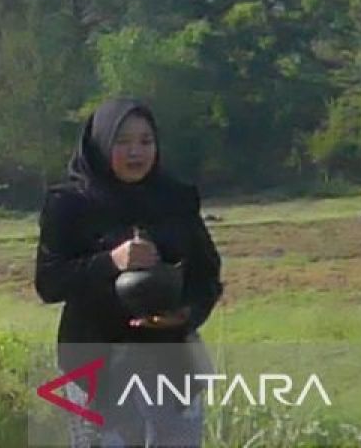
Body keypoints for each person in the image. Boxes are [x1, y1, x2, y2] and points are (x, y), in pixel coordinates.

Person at [34, 99, 222, 448]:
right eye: (123, 142)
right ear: (102, 144)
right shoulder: (69, 203)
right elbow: (49, 281)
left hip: (169, 358)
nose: (135, 152)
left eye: (145, 141)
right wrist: (111, 261)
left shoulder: (176, 198)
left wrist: (187, 314)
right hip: (95, 359)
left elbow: (206, 274)